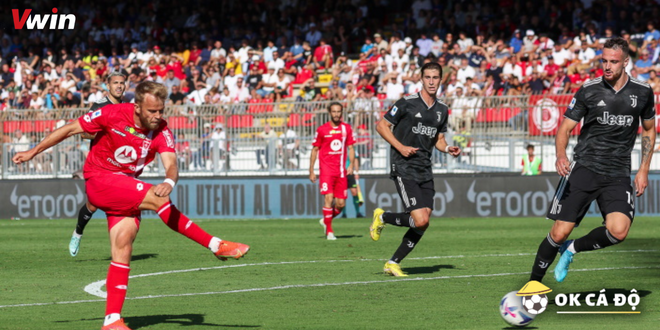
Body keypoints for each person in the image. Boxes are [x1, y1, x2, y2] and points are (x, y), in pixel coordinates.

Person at [13, 81, 250, 330]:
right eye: (152, 111)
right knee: (158, 200)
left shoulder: (162, 130)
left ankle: (112, 320)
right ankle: (215, 245)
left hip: (124, 188)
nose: (158, 116)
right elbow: (70, 129)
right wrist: (33, 152)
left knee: (123, 246)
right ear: (137, 107)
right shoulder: (111, 113)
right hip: (99, 178)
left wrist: (169, 180)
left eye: (161, 110)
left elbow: (171, 163)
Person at [527, 38, 655, 286]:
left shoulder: (643, 92)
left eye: (613, 62)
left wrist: (643, 169)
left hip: (617, 173)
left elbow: (649, 130)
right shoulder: (588, 89)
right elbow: (564, 128)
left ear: (625, 62)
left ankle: (571, 250)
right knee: (559, 231)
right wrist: (561, 155)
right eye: (604, 61)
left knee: (618, 231)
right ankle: (533, 284)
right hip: (584, 168)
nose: (607, 66)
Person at [370, 62, 461, 277]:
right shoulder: (406, 103)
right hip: (403, 166)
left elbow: (438, 139)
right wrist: (400, 147)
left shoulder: (442, 110)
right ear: (421, 79)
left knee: (423, 222)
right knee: (420, 220)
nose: (431, 81)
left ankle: (393, 262)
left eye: (435, 77)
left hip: (425, 169)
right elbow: (381, 125)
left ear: (440, 80)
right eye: (427, 77)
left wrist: (448, 148)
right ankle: (381, 218)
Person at [69, 71, 127, 257]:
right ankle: (78, 232)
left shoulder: (127, 108)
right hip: (100, 163)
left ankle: (121, 246)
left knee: (124, 203)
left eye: (122, 83)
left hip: (120, 163)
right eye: (115, 83)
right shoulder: (99, 106)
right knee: (93, 205)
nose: (119, 86)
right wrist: (105, 131)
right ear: (108, 86)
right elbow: (84, 132)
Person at [309, 102, 356, 240]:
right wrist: (311, 170)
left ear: (342, 112)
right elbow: (315, 149)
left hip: (341, 171)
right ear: (330, 112)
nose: (336, 114)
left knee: (340, 204)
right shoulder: (322, 130)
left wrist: (351, 165)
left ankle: (326, 220)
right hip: (326, 171)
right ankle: (329, 231)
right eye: (334, 111)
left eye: (338, 111)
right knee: (328, 199)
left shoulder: (346, 128)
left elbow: (351, 148)